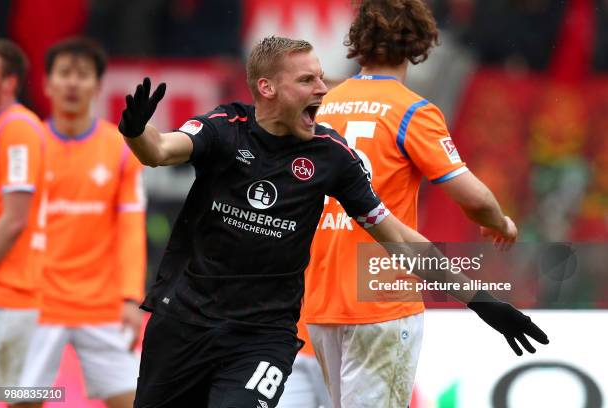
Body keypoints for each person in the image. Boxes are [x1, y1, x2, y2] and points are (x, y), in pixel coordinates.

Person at [118, 36, 547, 408]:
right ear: (266, 88)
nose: (323, 89)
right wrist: (137, 131)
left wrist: (483, 302)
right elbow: (159, 151)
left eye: (321, 77)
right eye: (307, 81)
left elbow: (397, 237)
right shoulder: (223, 128)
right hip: (183, 324)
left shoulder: (331, 155)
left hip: (262, 336)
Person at [304, 1, 534, 407]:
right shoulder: (411, 110)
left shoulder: (323, 106)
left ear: (358, 40)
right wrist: (500, 222)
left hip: (320, 301)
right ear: (418, 44)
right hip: (381, 301)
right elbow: (474, 198)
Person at [16, 38, 146, 408]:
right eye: (64, 73)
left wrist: (130, 298)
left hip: (102, 306)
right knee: (20, 399)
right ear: (47, 83)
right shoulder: (28, 145)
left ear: (97, 85)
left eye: (83, 75)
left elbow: (131, 229)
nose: (73, 83)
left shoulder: (121, 149)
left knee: (132, 401)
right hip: (35, 304)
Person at [0, 38, 46, 388]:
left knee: (22, 395)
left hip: (12, 297)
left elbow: (14, 218)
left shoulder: (17, 129)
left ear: (10, 81)